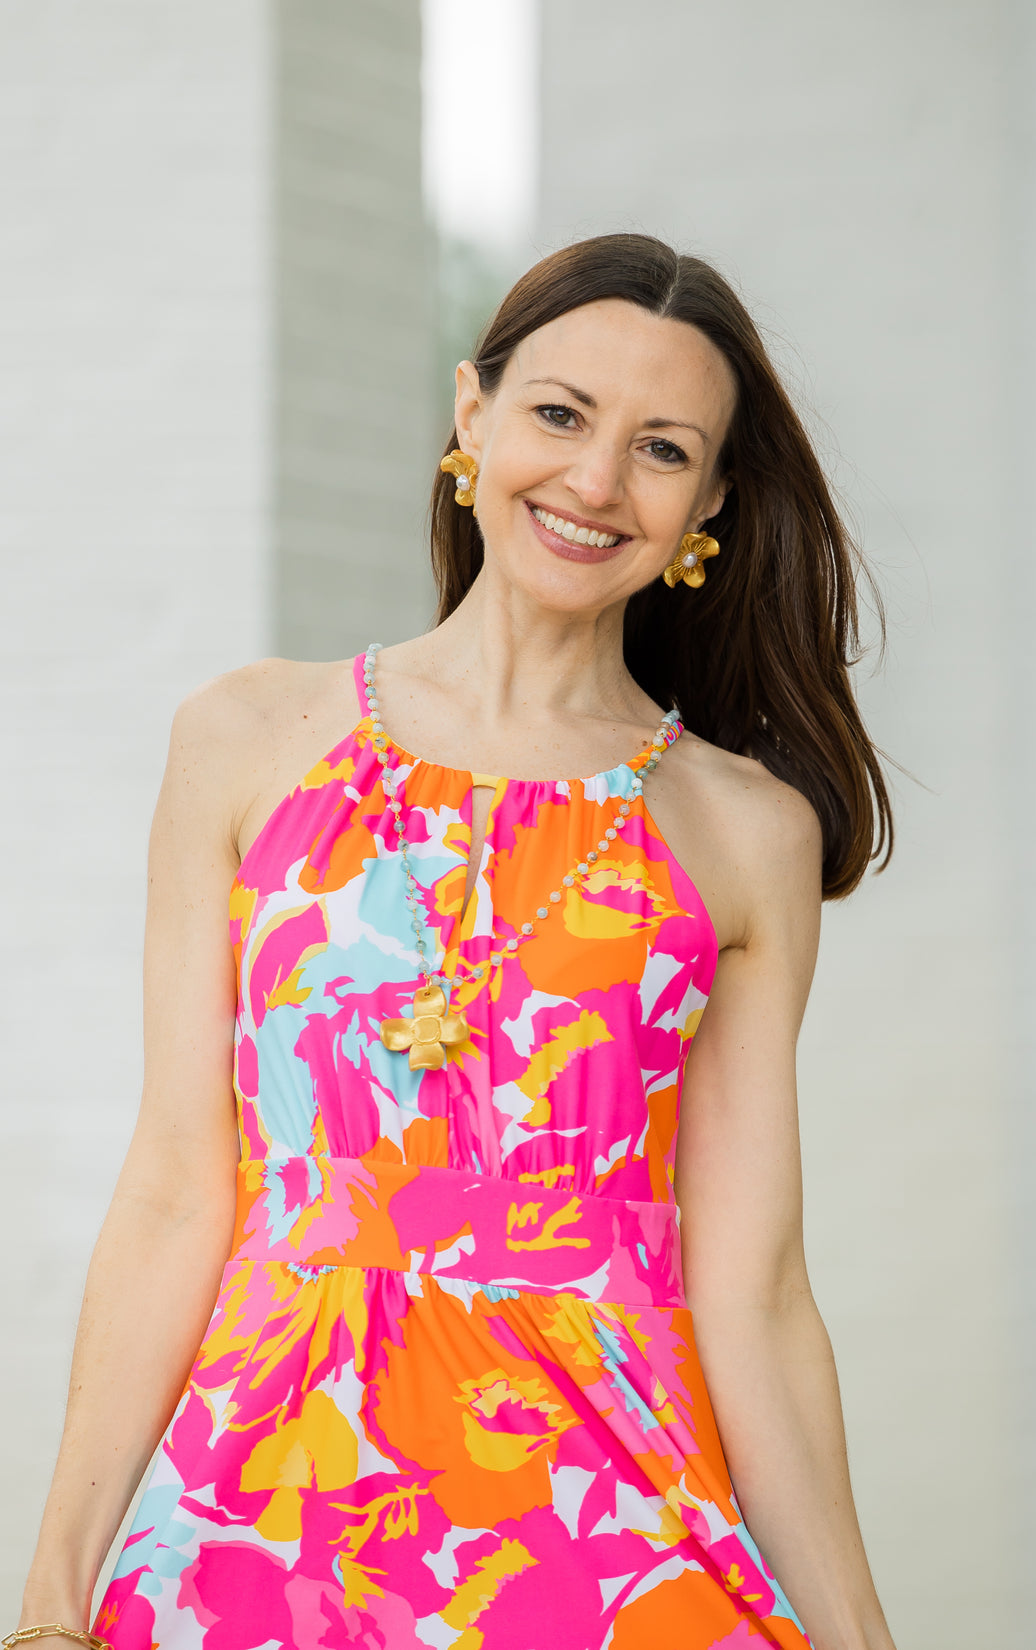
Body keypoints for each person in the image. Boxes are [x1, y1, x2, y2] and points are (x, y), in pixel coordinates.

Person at [11, 233, 898, 1650]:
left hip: (610, 1536)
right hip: (263, 1522)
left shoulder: (746, 830)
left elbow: (755, 1285)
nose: (597, 481)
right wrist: (53, 1594)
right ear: (470, 416)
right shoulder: (246, 737)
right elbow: (182, 1189)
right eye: (559, 414)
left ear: (709, 503)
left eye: (661, 448)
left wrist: (861, 1633)